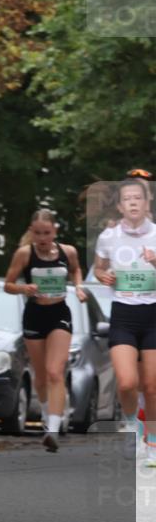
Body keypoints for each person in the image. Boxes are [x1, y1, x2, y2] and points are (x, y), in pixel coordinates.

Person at [4, 209, 87, 452]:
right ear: (31, 232)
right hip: (35, 315)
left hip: (59, 314)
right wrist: (24, 289)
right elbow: (7, 284)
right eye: (38, 233)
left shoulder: (67, 251)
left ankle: (52, 429)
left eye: (47, 233)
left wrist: (79, 287)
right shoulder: (24, 254)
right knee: (40, 377)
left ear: (55, 231)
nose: (42, 238)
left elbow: (75, 270)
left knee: (55, 372)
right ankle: (44, 409)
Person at [93, 179, 156, 464]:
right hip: (123, 314)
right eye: (127, 198)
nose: (132, 202)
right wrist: (102, 276)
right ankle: (133, 427)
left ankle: (152, 442)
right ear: (120, 206)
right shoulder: (109, 236)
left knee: (152, 386)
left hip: (153, 314)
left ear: (147, 203)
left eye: (137, 198)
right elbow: (99, 267)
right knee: (127, 383)